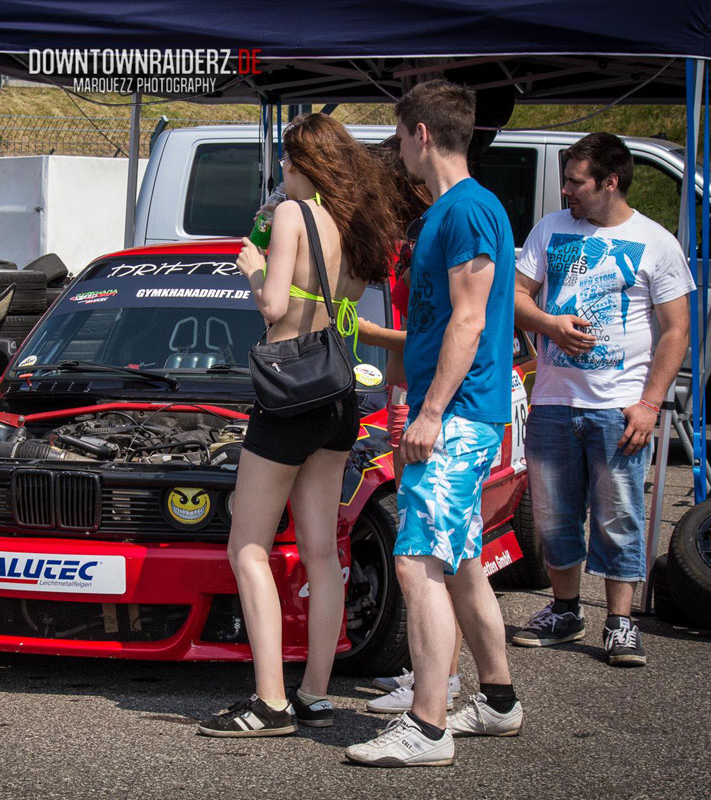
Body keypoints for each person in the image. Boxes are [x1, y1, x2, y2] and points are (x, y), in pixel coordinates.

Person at [197, 113, 398, 737]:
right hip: (338, 395)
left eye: (285, 163)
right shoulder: (358, 227)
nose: (281, 175)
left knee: (247, 546)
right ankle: (313, 692)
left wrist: (251, 263)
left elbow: (275, 305)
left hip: (287, 396)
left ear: (305, 165)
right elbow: (342, 310)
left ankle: (268, 702)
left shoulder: (292, 215)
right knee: (320, 550)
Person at [344, 80, 521, 768]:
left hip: (458, 416)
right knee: (463, 562)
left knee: (418, 563)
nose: (400, 154)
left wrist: (431, 411)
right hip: (460, 410)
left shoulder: (467, 211)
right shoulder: (459, 211)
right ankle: (499, 703)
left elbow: (471, 320)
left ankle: (428, 726)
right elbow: (442, 324)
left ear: (420, 133)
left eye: (400, 137)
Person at [510, 132, 693, 667]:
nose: (564, 190)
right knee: (553, 518)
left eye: (575, 181)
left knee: (619, 516)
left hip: (619, 406)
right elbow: (515, 297)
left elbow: (676, 330)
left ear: (609, 182)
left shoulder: (657, 241)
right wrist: (550, 325)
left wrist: (650, 403)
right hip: (553, 402)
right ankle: (566, 610)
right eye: (566, 180)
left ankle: (620, 623)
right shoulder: (550, 229)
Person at [356, 138, 466, 716]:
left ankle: (439, 690)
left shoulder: (439, 226)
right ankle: (436, 677)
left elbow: (447, 328)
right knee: (433, 552)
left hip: (426, 402)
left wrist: (370, 336)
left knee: (425, 554)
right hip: (404, 394)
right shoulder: (412, 235)